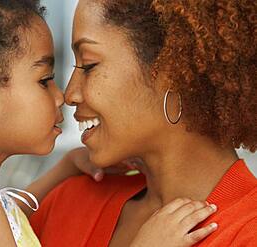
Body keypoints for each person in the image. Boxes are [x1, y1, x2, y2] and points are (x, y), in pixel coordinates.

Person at [30, 0, 257, 246]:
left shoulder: (247, 233)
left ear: (171, 70)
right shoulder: (68, 201)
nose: (70, 94)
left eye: (89, 65)